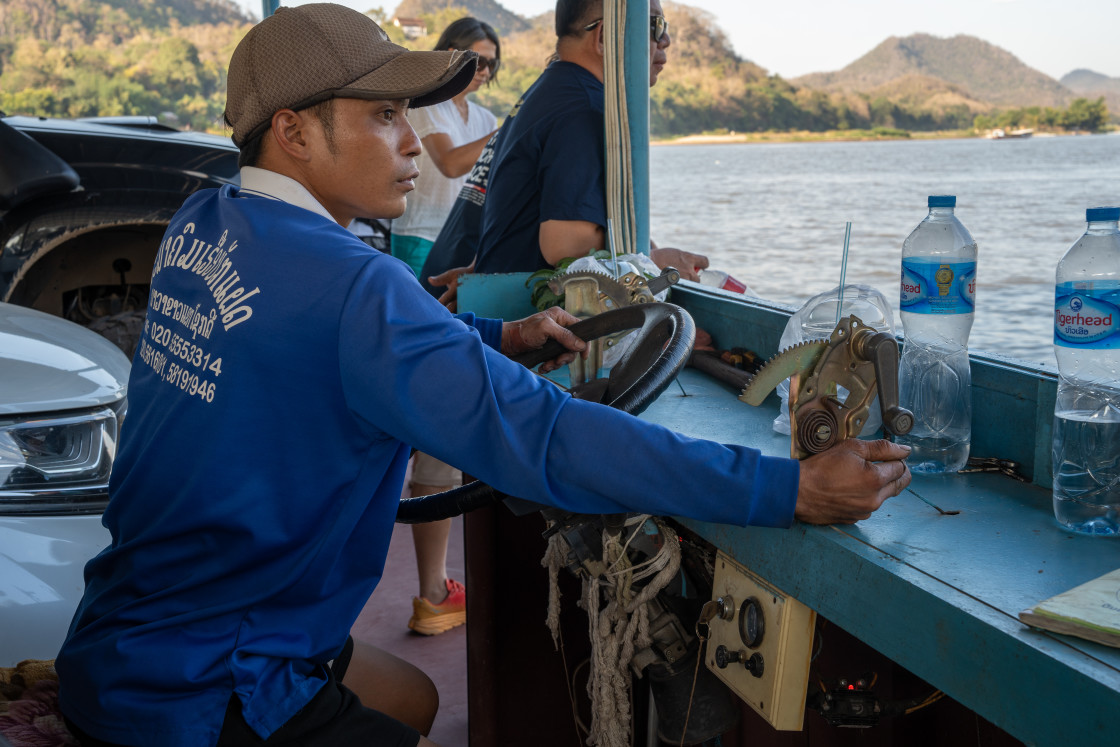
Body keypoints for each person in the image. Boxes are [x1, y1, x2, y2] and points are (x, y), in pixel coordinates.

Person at [55, 5, 911, 747]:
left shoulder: (207, 219)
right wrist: (786, 487)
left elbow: (311, 338)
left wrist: (501, 332)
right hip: (207, 685)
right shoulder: (356, 287)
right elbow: (545, 436)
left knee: (417, 698)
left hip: (127, 631)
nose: (411, 147)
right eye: (385, 116)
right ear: (294, 131)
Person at [421, 0, 707, 310]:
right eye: (655, 27)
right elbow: (566, 246)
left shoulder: (546, 92)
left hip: (499, 304)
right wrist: (656, 262)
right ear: (603, 38)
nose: (665, 40)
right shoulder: (583, 109)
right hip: (533, 322)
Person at [387, 16, 503, 637]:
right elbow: (456, 166)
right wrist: (518, 133)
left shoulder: (482, 117)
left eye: (489, 64)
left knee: (438, 405)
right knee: (432, 404)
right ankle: (433, 588)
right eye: (469, 60)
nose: (479, 73)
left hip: (464, 258)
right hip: (417, 253)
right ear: (446, 57)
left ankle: (435, 588)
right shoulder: (432, 112)